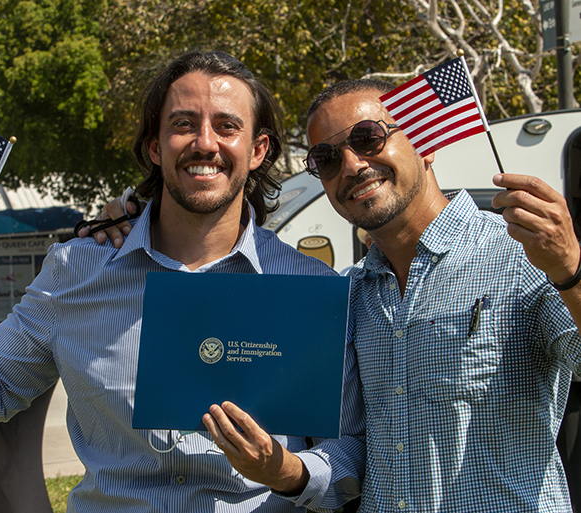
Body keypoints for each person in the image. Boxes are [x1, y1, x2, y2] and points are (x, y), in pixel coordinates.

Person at [91, 77, 581, 511]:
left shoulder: (520, 256)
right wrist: (142, 219)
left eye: (368, 139)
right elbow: (348, 449)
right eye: (326, 158)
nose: (352, 164)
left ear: (426, 143)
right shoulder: (343, 297)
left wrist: (571, 271)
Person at [0, 51, 364, 512]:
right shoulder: (76, 270)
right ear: (155, 146)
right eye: (184, 124)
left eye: (227, 127)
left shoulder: (310, 287)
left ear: (257, 151)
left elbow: (352, 450)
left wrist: (287, 472)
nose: (205, 143)